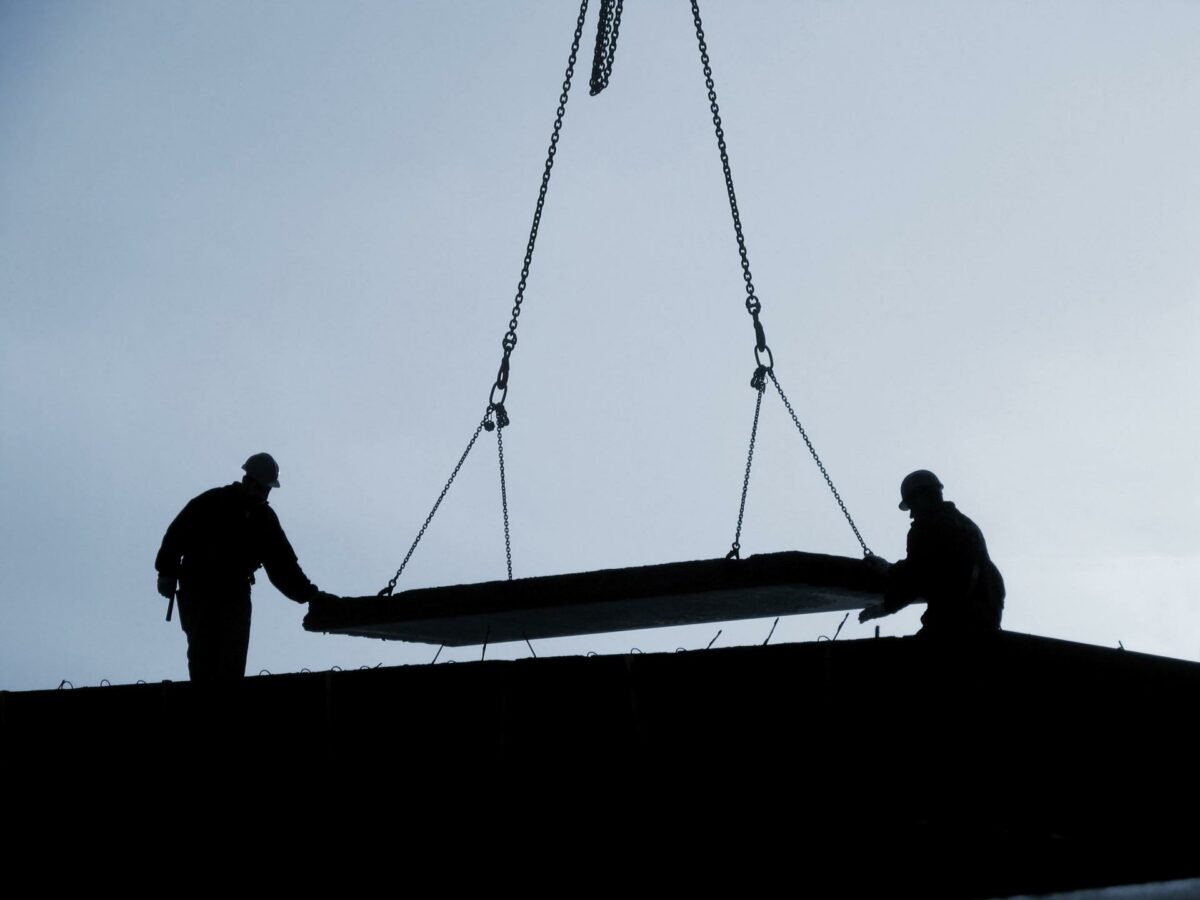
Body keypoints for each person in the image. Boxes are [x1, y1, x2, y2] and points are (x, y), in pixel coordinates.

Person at [155, 453, 332, 681]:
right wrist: (166, 572)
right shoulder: (211, 502)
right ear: (248, 481)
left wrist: (309, 595)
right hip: (200, 591)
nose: (262, 494)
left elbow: (283, 566)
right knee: (203, 661)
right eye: (260, 488)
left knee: (231, 665)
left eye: (265, 490)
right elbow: (175, 536)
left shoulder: (264, 520)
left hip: (234, 594)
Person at [859, 470, 1004, 637]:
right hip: (986, 616)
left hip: (956, 619)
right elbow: (926, 575)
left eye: (912, 506)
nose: (912, 514)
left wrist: (887, 572)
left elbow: (917, 575)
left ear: (922, 497)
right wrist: (888, 605)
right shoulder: (966, 525)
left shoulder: (928, 528)